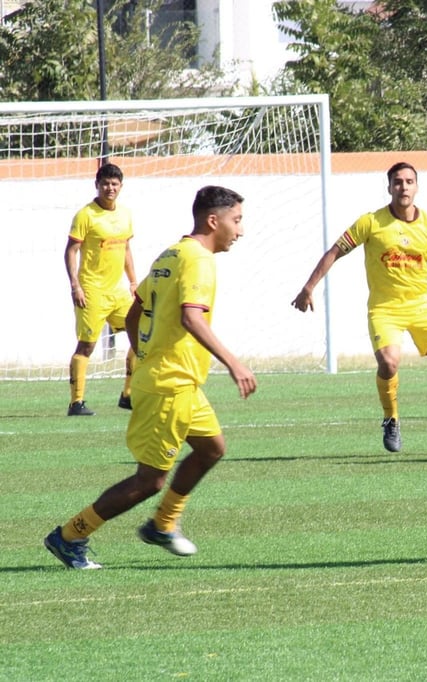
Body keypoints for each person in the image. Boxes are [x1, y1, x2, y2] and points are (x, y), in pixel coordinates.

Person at [44, 186, 257, 570]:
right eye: (237, 220)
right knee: (149, 481)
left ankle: (163, 523)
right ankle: (71, 534)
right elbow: (191, 317)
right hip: (168, 385)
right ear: (214, 220)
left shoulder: (171, 253)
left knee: (212, 448)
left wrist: (144, 354)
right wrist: (233, 363)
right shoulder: (200, 260)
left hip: (178, 381)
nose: (240, 231)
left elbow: (135, 310)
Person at [292, 162, 427, 454]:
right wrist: (308, 287)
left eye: (409, 181)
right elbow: (335, 251)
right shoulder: (371, 222)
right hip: (385, 309)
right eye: (398, 182)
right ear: (389, 187)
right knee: (389, 362)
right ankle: (391, 419)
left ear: (417, 187)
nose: (403, 187)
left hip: (423, 309)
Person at [63, 163, 138, 416]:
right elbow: (71, 251)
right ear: (97, 185)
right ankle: (76, 403)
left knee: (142, 334)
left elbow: (126, 249)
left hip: (117, 292)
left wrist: (133, 281)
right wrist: (75, 285)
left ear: (121, 187)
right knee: (87, 346)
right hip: (91, 291)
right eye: (106, 183)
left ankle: (127, 395)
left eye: (115, 184)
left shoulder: (125, 214)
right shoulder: (86, 215)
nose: (110, 188)